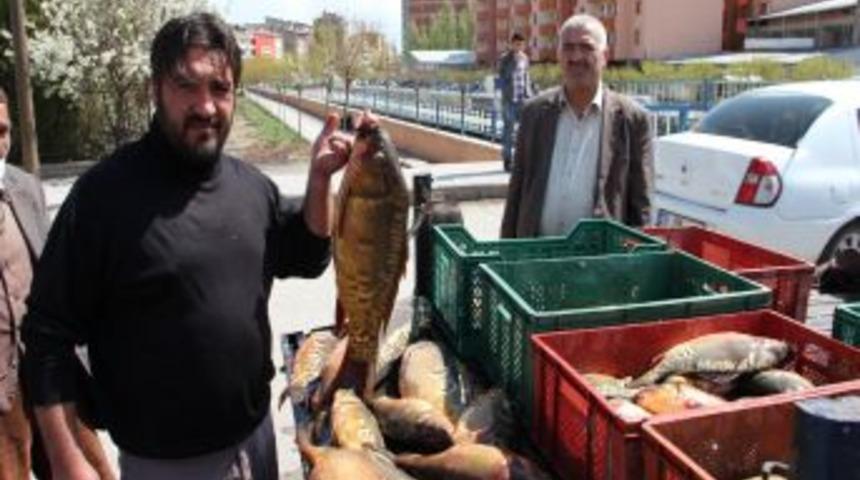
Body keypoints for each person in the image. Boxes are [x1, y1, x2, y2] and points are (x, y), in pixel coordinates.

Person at [23, 13, 353, 480]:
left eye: (220, 88)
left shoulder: (251, 187)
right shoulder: (103, 199)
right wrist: (65, 458)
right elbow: (45, 336)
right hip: (165, 465)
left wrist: (319, 180)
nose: (206, 106)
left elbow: (306, 255)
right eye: (186, 86)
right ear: (155, 89)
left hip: (257, 443)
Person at [0, 87, 113, 480]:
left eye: (2, 131)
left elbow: (58, 278)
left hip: (51, 374)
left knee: (92, 471)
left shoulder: (24, 187)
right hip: (2, 396)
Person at [501, 14, 653, 238]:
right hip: (534, 260)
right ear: (559, 55)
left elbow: (641, 207)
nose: (576, 56)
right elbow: (516, 194)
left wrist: (631, 267)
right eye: (568, 48)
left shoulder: (632, 120)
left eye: (586, 47)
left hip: (597, 265)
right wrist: (504, 259)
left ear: (604, 57)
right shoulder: (534, 113)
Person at [498, 32, 533, 172]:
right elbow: (500, 79)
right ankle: (507, 161)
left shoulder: (525, 58)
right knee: (509, 131)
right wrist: (502, 96)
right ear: (512, 44)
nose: (519, 47)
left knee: (524, 132)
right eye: (516, 44)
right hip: (509, 101)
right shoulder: (505, 59)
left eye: (521, 44)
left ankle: (521, 161)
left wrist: (530, 95)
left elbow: (526, 78)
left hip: (523, 100)